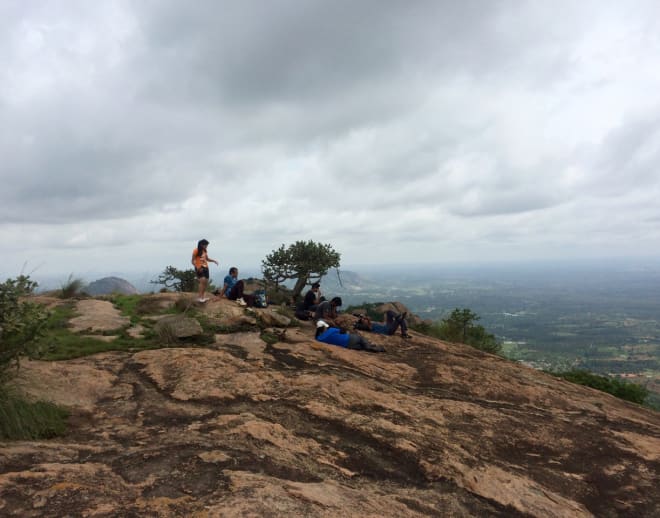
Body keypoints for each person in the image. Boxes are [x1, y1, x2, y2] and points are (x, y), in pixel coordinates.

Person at [315, 320, 384, 352]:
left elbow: (317, 336)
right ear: (324, 327)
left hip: (348, 346)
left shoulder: (319, 339)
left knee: (361, 347)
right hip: (350, 338)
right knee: (360, 338)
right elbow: (343, 331)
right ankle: (371, 346)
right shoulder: (331, 330)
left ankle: (369, 347)